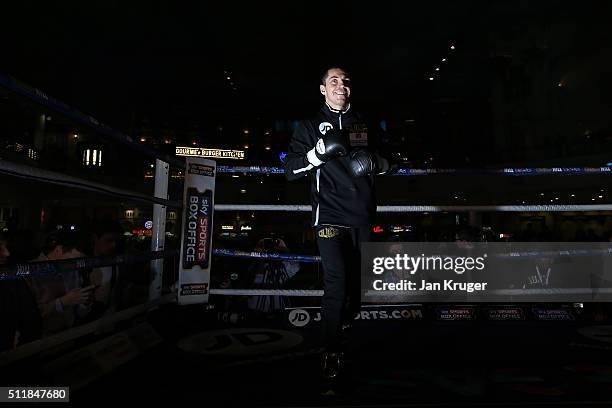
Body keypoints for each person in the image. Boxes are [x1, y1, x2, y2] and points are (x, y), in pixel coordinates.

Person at [284, 67, 395, 383]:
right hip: (329, 216)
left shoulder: (366, 123)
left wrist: (380, 163)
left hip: (362, 215)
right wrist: (318, 154)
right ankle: (330, 349)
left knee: (359, 288)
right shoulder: (308, 126)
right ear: (322, 89)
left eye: (346, 80)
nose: (340, 85)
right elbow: (290, 169)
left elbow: (393, 162)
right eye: (333, 81)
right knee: (337, 281)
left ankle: (342, 324)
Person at [28, 230, 94, 336]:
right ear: (58, 250)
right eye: (74, 260)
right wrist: (62, 302)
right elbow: (28, 316)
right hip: (39, 342)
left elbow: (77, 311)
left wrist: (83, 302)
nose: (77, 265)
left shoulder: (73, 270)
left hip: (68, 337)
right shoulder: (30, 271)